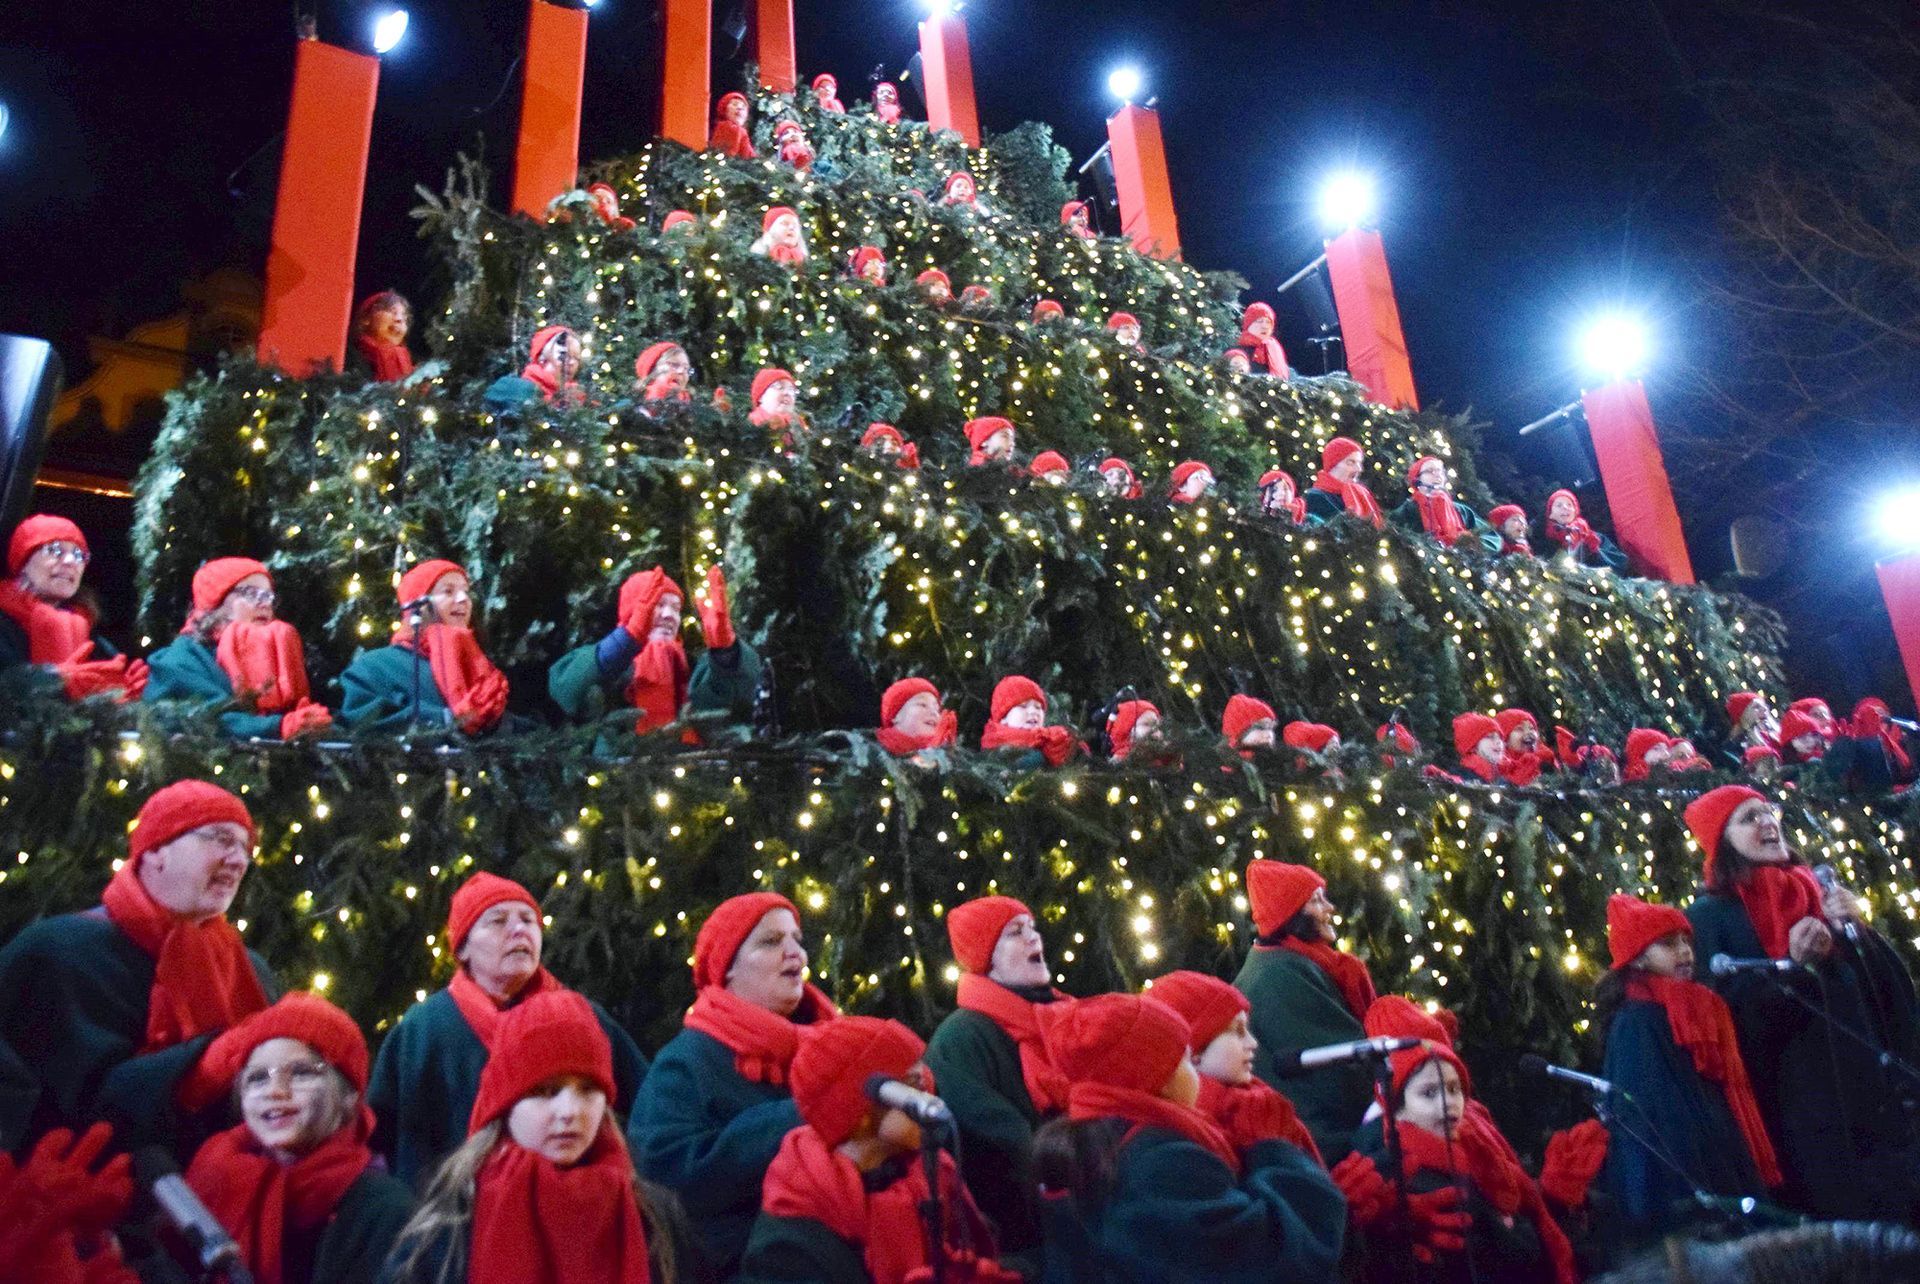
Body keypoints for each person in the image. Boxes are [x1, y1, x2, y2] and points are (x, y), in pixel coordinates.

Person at [1684, 784, 1920, 1220]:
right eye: (1748, 818)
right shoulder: (1709, 917)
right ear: (1722, 841)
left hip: (1871, 1098)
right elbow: (1723, 1021)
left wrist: (1860, 935)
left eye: (1768, 810)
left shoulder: (1815, 893)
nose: (1768, 821)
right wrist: (1790, 967)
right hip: (1799, 1116)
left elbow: (1885, 995)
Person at [0, 780, 275, 1154]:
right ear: (156, 850)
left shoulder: (250, 969)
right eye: (222, 839)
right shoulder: (56, 951)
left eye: (246, 848)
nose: (239, 860)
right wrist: (203, 1066)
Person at [1032, 993, 1346, 1282]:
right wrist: (1274, 1148)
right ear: (1159, 1077)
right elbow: (1276, 1258)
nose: (1194, 1071)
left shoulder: (1103, 1145)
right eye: (1183, 1058)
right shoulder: (1160, 1165)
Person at [367, 871, 648, 1189]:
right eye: (498, 921)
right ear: (462, 949)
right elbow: (380, 1136)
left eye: (528, 921)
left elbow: (647, 1106)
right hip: (451, 1215)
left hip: (571, 1206)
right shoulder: (422, 1029)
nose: (519, 931)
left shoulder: (580, 1019)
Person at [385, 990, 680, 1284]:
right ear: (505, 1105)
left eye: (588, 1089)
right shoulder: (450, 1227)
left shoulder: (654, 1220)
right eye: (546, 1091)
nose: (569, 1111)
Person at [629, 892, 838, 1277]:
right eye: (771, 942)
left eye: (797, 939)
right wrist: (801, 1116)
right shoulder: (685, 1063)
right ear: (727, 968)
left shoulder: (837, 1048)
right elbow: (664, 1177)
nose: (796, 954)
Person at [742, 1016, 1014, 1283]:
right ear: (858, 1111)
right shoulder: (791, 1243)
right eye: (914, 1085)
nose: (929, 1098)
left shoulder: (931, 1173)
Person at [181, 993, 413, 1284]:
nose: (275, 1091)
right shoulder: (214, 1178)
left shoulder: (386, 1212)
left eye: (301, 1073)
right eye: (257, 1078)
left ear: (348, 1096)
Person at [1346, 996, 1576, 1284]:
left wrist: (1554, 1198)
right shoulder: (1408, 1172)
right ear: (1397, 1105)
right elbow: (1505, 1256)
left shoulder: (1469, 1144)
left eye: (1454, 1089)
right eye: (1429, 1093)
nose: (1447, 1103)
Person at [1594, 894, 1781, 1241]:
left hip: (1718, 1160)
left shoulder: (1697, 1007)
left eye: (1686, 941)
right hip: (1682, 1183)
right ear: (1637, 959)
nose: (1684, 952)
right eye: (1668, 944)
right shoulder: (1637, 1022)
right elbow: (1651, 1116)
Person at [924, 898, 1071, 1270]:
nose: (1033, 937)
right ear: (986, 956)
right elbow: (1000, 1139)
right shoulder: (961, 1037)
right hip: (1024, 1239)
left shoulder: (1065, 1018)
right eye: (1015, 932)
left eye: (1032, 928)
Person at [1233, 860, 1376, 1162]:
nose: (1329, 908)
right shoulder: (1281, 976)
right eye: (1315, 900)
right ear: (1291, 915)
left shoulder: (1292, 962)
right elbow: (1341, 1075)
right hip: (1327, 1141)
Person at [548, 565, 761, 739]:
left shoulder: (692, 667)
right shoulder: (609, 664)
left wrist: (726, 652)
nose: (670, 615)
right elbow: (567, 688)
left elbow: (731, 703)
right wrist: (625, 640)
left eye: (676, 608)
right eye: (659, 605)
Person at [144, 557, 333, 740]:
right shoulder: (183, 658)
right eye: (251, 594)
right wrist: (277, 727)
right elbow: (203, 718)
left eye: (268, 596)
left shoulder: (278, 653)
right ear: (217, 603)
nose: (264, 603)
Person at [1148, 970, 1323, 1165]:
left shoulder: (1256, 1101)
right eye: (1238, 1031)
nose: (1252, 1043)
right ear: (1193, 1050)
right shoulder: (1201, 1134)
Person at [337, 559, 510, 735]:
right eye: (448, 591)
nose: (463, 599)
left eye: (465, 591)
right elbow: (361, 720)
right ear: (418, 605)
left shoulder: (478, 666)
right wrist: (447, 719)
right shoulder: (375, 667)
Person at [0, 514, 145, 700]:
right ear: (23, 561)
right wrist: (51, 681)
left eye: (79, 555)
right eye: (55, 550)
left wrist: (126, 691)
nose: (70, 561)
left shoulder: (91, 634)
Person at [979, 675, 1082, 767]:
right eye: (1023, 706)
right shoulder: (993, 756)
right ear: (1003, 718)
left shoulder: (1061, 742)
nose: (1033, 712)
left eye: (1038, 707)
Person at [482, 325, 584, 411]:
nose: (572, 363)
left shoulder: (578, 399)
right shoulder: (515, 388)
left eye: (577, 358)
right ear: (543, 357)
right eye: (566, 355)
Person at [1393, 456, 1486, 549]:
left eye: (1440, 471)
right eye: (1430, 471)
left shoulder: (1461, 510)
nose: (1438, 475)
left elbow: (1490, 536)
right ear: (1417, 480)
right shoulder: (1408, 510)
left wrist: (1475, 543)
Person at [1304, 437, 1385, 527]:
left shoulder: (1360, 493)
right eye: (1351, 462)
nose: (1359, 469)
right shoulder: (1316, 497)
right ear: (1333, 464)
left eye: (1359, 463)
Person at [1541, 489, 1628, 572]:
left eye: (1569, 505)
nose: (1565, 508)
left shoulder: (1595, 537)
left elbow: (1619, 564)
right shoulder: (1549, 544)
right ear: (1550, 514)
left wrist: (1593, 551)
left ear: (1576, 511)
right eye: (1559, 505)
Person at [874, 677, 959, 757]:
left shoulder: (945, 757)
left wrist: (947, 752)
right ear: (896, 716)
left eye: (937, 710)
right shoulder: (869, 745)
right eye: (922, 705)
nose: (934, 713)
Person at [350, 290, 414, 382]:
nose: (400, 319)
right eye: (392, 311)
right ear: (366, 318)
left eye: (405, 317)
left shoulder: (411, 370)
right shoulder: (349, 359)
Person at [1496, 709, 1556, 786]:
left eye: (1532, 728)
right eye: (1519, 729)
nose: (1529, 733)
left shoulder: (1545, 761)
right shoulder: (1497, 767)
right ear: (1504, 739)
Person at [632, 341, 694, 412]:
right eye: (674, 365)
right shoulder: (637, 409)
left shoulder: (691, 409)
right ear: (654, 369)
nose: (681, 371)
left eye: (686, 368)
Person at [1724, 692, 1781, 768]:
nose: (1765, 709)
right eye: (1756, 707)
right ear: (1744, 716)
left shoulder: (1780, 737)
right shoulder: (1736, 749)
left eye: (1764, 705)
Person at [1236, 302, 1290, 378]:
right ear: (1248, 324)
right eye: (1260, 321)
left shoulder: (1275, 350)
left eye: (1268, 322)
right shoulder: (1237, 352)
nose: (1265, 326)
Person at [1106, 698, 1166, 764]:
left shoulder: (1160, 753)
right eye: (1146, 724)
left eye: (1156, 726)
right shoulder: (1122, 757)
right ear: (1127, 729)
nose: (1154, 730)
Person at [1452, 712, 1506, 783]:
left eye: (1500, 738)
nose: (1498, 742)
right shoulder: (1460, 778)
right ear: (1473, 746)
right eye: (1490, 737)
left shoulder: (1502, 777)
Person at [1222, 694, 1278, 760]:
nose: (1269, 734)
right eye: (1260, 728)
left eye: (1271, 728)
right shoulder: (1223, 763)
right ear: (1240, 732)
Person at [712, 91, 757, 158]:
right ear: (724, 109)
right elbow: (728, 156)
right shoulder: (729, 128)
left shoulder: (742, 131)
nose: (740, 108)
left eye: (743, 107)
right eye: (734, 104)